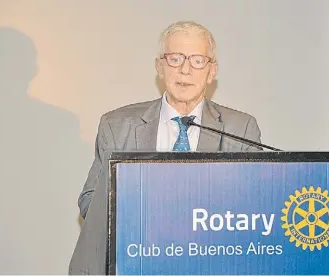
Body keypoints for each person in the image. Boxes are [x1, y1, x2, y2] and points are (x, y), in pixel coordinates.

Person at [69, 21, 263, 274]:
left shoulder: (241, 128)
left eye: (197, 61)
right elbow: (89, 201)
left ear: (211, 71)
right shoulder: (117, 125)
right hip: (138, 262)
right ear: (160, 66)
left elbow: (256, 207)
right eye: (175, 59)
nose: (185, 70)